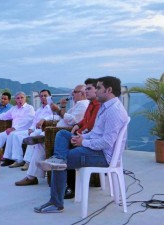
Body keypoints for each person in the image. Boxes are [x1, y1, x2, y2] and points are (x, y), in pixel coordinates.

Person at [34, 76, 128, 213]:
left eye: (99, 88)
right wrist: (82, 137)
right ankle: (57, 159)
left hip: (103, 156)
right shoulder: (105, 106)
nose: (96, 91)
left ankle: (56, 202)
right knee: (62, 135)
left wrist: (84, 142)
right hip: (94, 149)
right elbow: (96, 132)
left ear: (109, 90)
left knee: (60, 161)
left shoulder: (114, 111)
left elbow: (106, 142)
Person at [15, 84, 89, 186]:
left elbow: (73, 121)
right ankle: (31, 173)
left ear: (82, 94)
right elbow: (66, 117)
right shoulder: (78, 104)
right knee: (38, 144)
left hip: (63, 135)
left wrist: (58, 110)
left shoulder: (83, 105)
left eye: (74, 92)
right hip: (58, 131)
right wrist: (62, 107)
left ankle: (31, 175)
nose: (72, 94)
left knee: (40, 145)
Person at [62, 78, 100, 199]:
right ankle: (58, 161)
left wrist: (81, 137)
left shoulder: (99, 106)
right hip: (82, 135)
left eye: (88, 89)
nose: (85, 92)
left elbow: (91, 126)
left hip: (89, 140)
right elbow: (85, 120)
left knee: (68, 152)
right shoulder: (90, 104)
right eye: (85, 89)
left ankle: (70, 186)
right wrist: (78, 125)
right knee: (62, 135)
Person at [1, 89, 54, 169]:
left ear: (50, 97)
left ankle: (28, 162)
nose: (43, 97)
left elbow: (57, 117)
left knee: (32, 137)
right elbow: (34, 122)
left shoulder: (52, 108)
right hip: (35, 130)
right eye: (41, 96)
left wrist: (44, 119)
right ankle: (18, 160)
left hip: (45, 130)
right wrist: (31, 128)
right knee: (15, 135)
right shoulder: (39, 110)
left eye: (45, 96)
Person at [0, 91, 35, 167]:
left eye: (22, 97)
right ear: (15, 100)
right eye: (18, 98)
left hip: (25, 130)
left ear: (25, 98)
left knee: (12, 134)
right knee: (0, 135)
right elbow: (3, 115)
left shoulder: (29, 108)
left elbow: (27, 120)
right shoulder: (13, 109)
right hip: (14, 130)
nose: (20, 99)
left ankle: (10, 159)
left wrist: (13, 128)